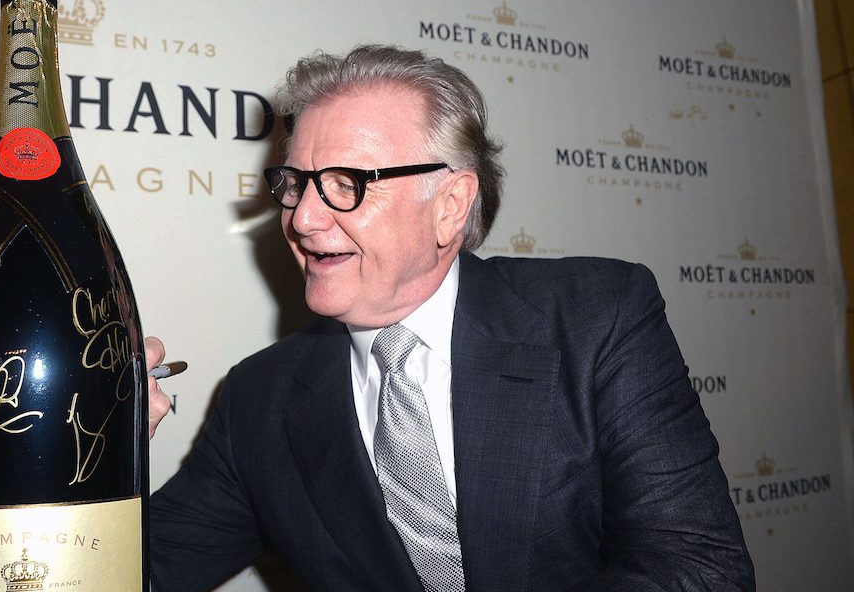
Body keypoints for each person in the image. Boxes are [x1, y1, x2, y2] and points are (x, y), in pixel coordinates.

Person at [143, 44, 755, 591]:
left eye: (346, 183)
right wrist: (97, 451)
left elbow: (699, 568)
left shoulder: (596, 319)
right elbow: (143, 572)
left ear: (451, 205)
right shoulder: (259, 398)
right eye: (295, 182)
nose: (302, 218)